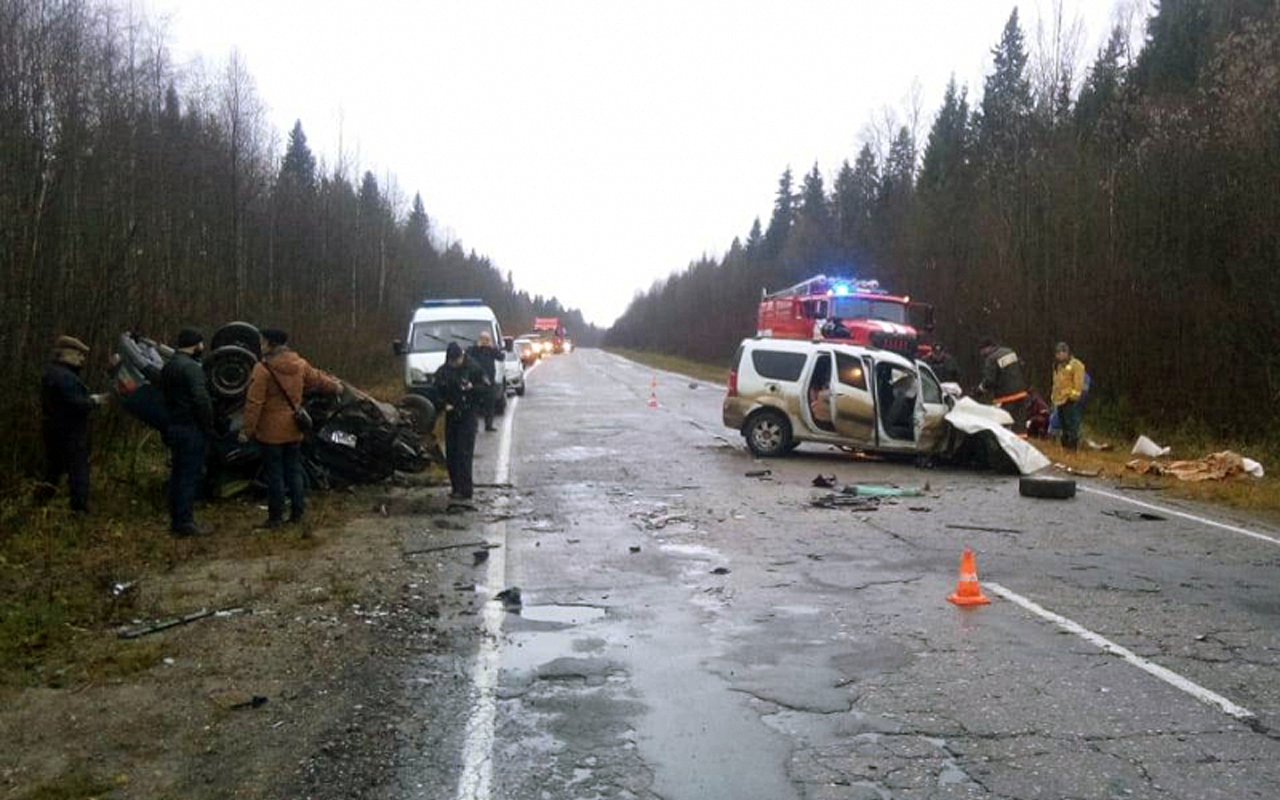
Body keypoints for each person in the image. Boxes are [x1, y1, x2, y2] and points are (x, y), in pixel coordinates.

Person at [238, 328, 342, 528]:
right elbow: (319, 380)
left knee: (274, 474)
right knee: (294, 470)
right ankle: (297, 513)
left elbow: (254, 403)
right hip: (295, 428)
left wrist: (247, 430)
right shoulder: (300, 364)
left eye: (263, 342)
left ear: (271, 344)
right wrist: (337, 387)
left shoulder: (262, 369)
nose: (261, 345)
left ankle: (275, 517)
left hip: (270, 432)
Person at [40, 335, 108, 512]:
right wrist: (95, 401)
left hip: (52, 428)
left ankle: (39, 503)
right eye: (79, 355)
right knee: (78, 469)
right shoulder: (65, 377)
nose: (82, 359)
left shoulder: (52, 372)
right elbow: (76, 403)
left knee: (53, 468)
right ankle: (80, 508)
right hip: (69, 430)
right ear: (66, 354)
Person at [161, 328, 214, 536]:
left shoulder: (169, 366)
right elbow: (201, 400)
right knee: (189, 476)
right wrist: (208, 426)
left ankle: (176, 519)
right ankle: (185, 522)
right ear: (197, 344)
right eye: (202, 344)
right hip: (191, 428)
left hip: (174, 426)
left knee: (177, 474)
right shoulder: (192, 368)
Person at [435, 342, 488, 500]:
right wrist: (443, 404)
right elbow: (436, 392)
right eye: (452, 361)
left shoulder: (473, 368)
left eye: (457, 360)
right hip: (452, 415)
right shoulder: (443, 372)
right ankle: (455, 487)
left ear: (462, 356)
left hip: (468, 414)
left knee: (464, 453)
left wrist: (473, 388)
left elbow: (486, 388)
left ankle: (466, 489)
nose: (455, 363)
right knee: (452, 453)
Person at [976, 337, 1030, 435]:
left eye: (981, 351)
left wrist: (980, 389)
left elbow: (990, 380)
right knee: (1020, 425)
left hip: (1006, 398)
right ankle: (1022, 446)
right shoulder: (1010, 352)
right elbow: (1021, 368)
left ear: (986, 348)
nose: (981, 354)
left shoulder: (991, 359)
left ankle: (1008, 448)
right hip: (1021, 393)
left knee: (1004, 426)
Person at [1051, 342, 1087, 450]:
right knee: (1063, 427)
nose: (1061, 354)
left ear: (1068, 352)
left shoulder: (1076, 365)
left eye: (1063, 352)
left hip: (1070, 401)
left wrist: (1073, 396)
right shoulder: (1057, 366)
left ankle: (1072, 450)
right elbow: (1056, 382)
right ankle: (1065, 449)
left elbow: (1079, 383)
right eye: (1058, 352)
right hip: (1059, 400)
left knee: (1072, 427)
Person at [466, 331, 502, 432]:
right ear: (480, 339)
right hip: (477, 381)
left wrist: (493, 348)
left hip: (489, 381)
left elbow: (501, 357)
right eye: (483, 339)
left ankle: (489, 425)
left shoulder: (491, 350)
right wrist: (477, 347)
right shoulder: (474, 349)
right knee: (474, 405)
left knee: (490, 405)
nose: (485, 342)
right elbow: (468, 356)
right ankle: (474, 426)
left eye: (487, 339)